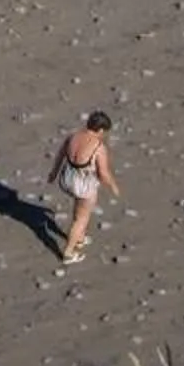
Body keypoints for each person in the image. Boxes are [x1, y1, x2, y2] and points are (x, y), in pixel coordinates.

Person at [46, 111, 116, 265]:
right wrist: (113, 186)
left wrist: (53, 174)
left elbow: (60, 156)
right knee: (80, 219)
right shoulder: (99, 147)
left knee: (79, 211)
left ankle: (80, 237)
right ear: (101, 130)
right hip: (83, 185)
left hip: (67, 179)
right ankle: (69, 253)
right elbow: (103, 174)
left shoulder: (73, 137)